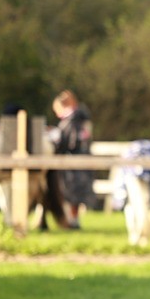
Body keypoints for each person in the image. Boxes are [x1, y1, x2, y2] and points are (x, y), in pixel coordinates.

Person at [47, 90, 97, 228]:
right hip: (82, 160)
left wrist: (56, 139)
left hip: (72, 163)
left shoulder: (72, 121)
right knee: (76, 193)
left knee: (70, 192)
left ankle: (71, 220)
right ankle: (73, 220)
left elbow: (68, 142)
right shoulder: (82, 119)